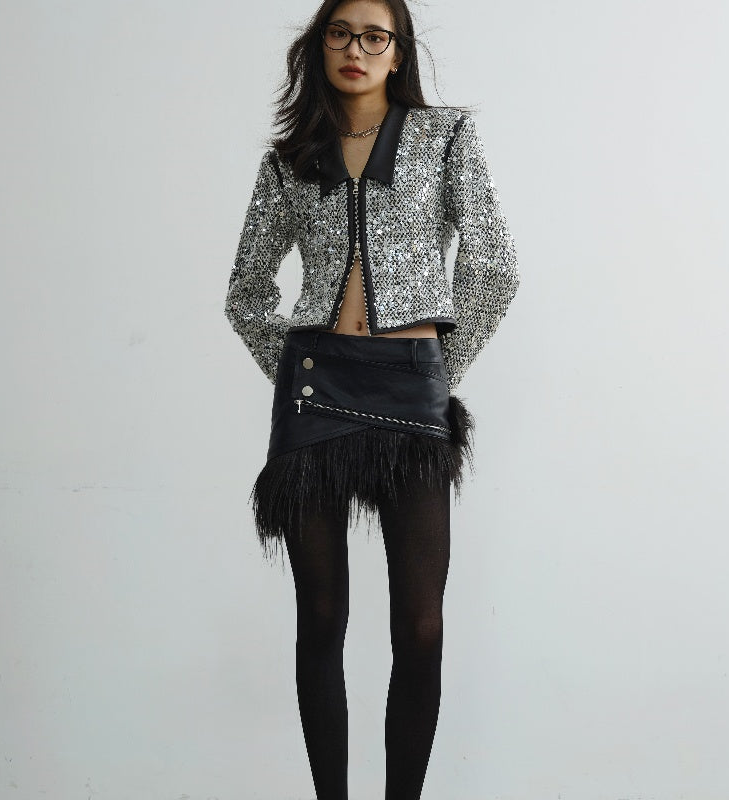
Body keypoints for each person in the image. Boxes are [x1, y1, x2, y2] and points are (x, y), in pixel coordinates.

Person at [224, 1, 520, 797]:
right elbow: (246, 293)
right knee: (321, 618)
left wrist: (440, 371)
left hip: (410, 385)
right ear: (319, 45)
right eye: (340, 32)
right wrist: (294, 370)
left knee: (420, 626)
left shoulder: (444, 137)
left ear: (398, 52)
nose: (355, 48)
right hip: (316, 393)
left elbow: (494, 266)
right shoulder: (290, 160)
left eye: (374, 36)